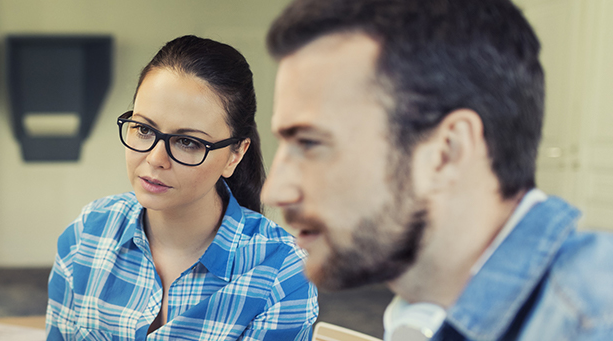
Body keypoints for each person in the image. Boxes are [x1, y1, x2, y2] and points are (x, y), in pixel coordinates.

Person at [262, 0, 613, 340]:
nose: (274, 191)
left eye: (309, 143)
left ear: (447, 152)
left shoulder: (595, 322)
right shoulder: (425, 311)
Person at [46, 35, 318, 341]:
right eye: (144, 129)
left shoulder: (283, 272)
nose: (155, 158)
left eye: (188, 142)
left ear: (235, 154)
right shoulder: (87, 234)